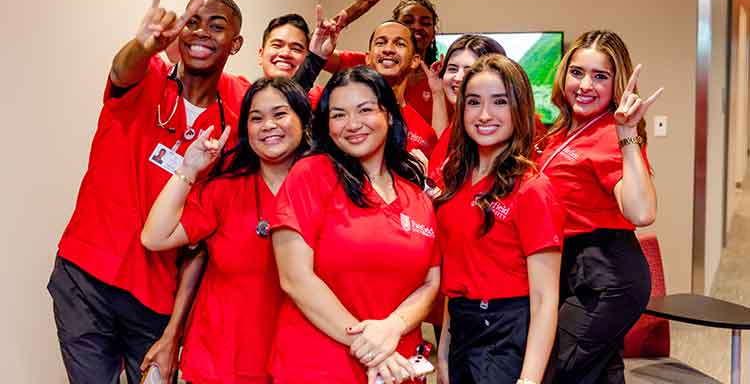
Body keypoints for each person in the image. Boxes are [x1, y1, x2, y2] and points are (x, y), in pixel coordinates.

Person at [47, 0, 253, 384]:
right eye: (193, 21)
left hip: (157, 296)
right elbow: (121, 69)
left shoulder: (234, 120)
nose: (201, 33)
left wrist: (175, 329)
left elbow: (201, 239)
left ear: (236, 43)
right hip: (87, 277)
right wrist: (142, 43)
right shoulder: (148, 78)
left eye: (216, 25)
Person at [268, 66, 441, 383]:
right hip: (319, 367)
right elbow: (295, 278)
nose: (352, 125)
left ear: (388, 115)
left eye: (364, 110)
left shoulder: (416, 195)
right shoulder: (311, 174)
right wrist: (371, 346)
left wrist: (392, 328)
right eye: (338, 115)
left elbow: (430, 283)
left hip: (398, 368)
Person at [140, 77, 312, 383]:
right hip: (218, 365)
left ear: (303, 119)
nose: (268, 125)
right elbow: (155, 237)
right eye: (256, 118)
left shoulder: (325, 190)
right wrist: (189, 168)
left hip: (296, 364)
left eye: (280, 114)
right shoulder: (226, 191)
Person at [535, 30, 662, 383]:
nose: (585, 85)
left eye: (600, 76)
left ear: (616, 85)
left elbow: (641, 213)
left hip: (606, 274)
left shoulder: (611, 135)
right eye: (577, 72)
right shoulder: (559, 131)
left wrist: (627, 133)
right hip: (571, 267)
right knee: (603, 371)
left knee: (555, 369)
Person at [433, 54, 564, 384]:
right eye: (474, 102)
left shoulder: (533, 189)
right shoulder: (454, 179)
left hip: (509, 332)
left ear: (519, 109)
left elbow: (545, 299)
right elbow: (458, 270)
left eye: (500, 102)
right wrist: (445, 349)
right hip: (462, 327)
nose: (485, 115)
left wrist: (529, 380)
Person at [324, 0, 440, 122]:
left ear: (433, 32)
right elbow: (309, 50)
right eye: (408, 21)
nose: (416, 27)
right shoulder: (368, 63)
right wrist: (355, 10)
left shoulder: (441, 78)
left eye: (425, 23)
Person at [422, 34, 507, 179]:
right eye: (453, 69)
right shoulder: (457, 123)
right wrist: (437, 92)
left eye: (469, 70)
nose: (458, 77)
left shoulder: (487, 129)